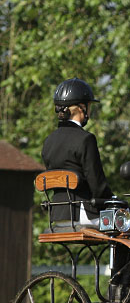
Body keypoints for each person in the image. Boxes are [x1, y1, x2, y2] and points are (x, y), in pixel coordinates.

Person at [41, 78, 113, 226]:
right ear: (82, 108)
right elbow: (97, 185)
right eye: (89, 106)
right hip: (85, 215)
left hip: (57, 218)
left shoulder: (48, 141)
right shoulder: (86, 139)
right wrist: (114, 201)